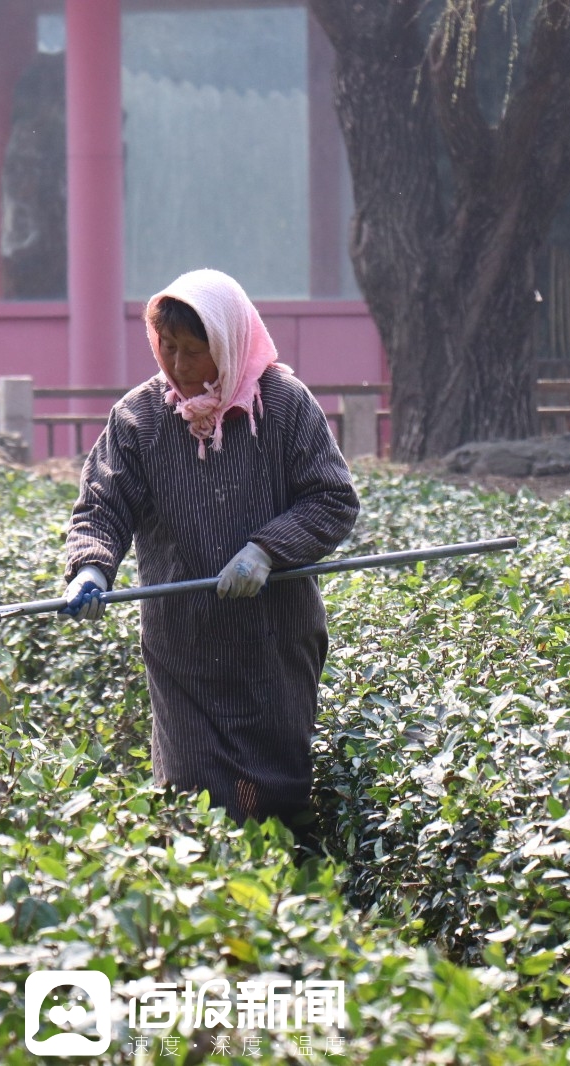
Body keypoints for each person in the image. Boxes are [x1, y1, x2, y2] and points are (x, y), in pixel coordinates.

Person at [60, 268, 359, 834]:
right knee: (194, 799)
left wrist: (265, 552)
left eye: (194, 351)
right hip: (185, 645)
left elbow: (332, 498)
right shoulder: (139, 418)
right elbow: (102, 504)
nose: (177, 365)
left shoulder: (284, 405)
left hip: (274, 638)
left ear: (226, 344)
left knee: (279, 794)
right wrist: (92, 567)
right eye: (167, 347)